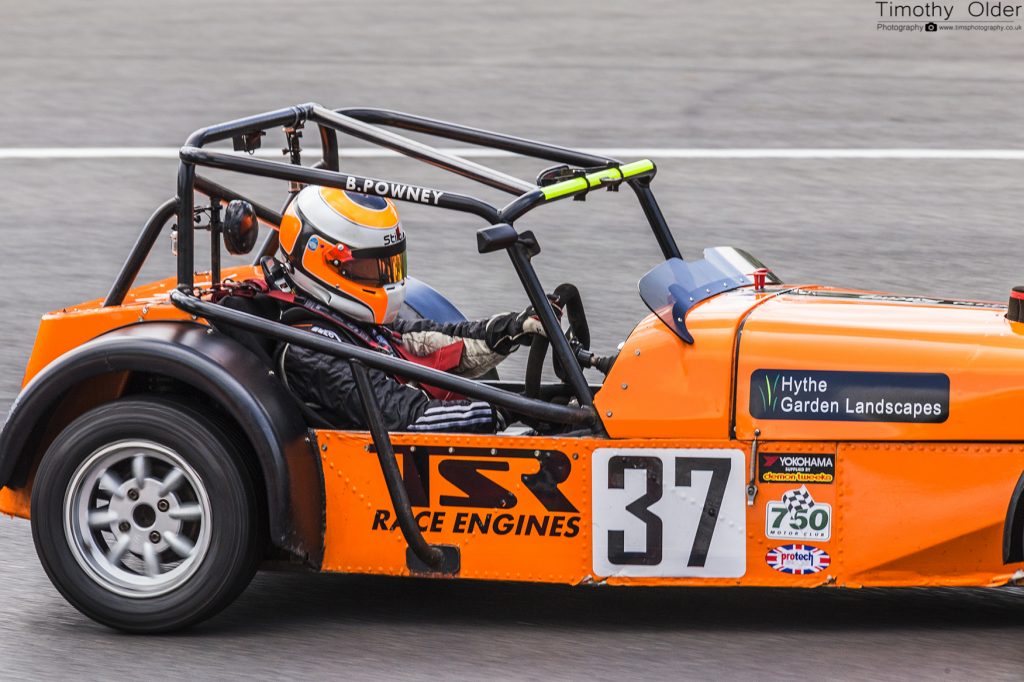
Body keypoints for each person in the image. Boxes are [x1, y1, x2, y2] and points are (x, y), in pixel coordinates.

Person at [256, 184, 550, 433]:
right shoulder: (309, 349)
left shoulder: (349, 320)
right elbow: (406, 416)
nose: (386, 279)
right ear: (322, 261)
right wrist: (506, 409)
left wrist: (512, 329)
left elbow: (426, 340)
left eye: (390, 264)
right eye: (371, 267)